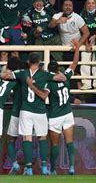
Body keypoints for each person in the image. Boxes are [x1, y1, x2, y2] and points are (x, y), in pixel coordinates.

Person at [0, 52, 66, 176]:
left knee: (26, 138)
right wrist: (56, 72)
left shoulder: (22, 73)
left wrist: (4, 70)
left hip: (25, 110)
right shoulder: (45, 74)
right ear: (40, 62)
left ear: (29, 62)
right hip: (40, 111)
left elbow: (4, 75)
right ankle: (45, 167)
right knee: (42, 138)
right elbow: (62, 78)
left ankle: (28, 168)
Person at [40, 40, 80, 175]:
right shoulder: (66, 77)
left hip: (55, 115)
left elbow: (44, 96)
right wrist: (77, 48)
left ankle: (52, 169)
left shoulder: (48, 82)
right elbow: (74, 63)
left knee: (55, 145)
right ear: (58, 68)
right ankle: (72, 166)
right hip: (67, 113)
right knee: (69, 141)